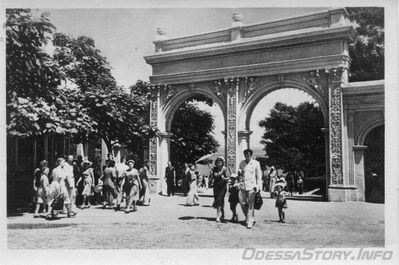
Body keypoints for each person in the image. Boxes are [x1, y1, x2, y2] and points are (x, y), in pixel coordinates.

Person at [238, 149, 262, 229]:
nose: (247, 156)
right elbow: (240, 174)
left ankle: (250, 221)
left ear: (251, 155)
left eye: (248, 155)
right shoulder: (242, 163)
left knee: (251, 204)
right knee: (242, 203)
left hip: (252, 186)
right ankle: (247, 217)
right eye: (245, 155)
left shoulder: (256, 163)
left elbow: (259, 176)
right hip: (243, 186)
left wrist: (258, 187)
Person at [211, 157, 229, 222]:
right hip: (216, 186)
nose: (219, 163)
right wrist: (222, 171)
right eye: (218, 162)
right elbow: (216, 175)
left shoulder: (225, 168)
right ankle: (223, 214)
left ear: (222, 162)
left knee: (219, 200)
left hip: (223, 186)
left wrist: (225, 178)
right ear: (216, 163)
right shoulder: (214, 169)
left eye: (220, 162)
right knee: (219, 201)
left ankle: (218, 216)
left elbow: (228, 177)